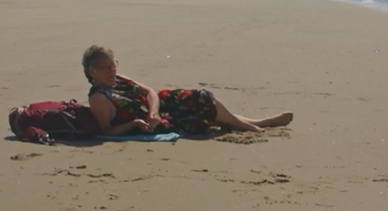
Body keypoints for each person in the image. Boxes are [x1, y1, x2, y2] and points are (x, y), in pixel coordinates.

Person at [82, 45, 293, 135]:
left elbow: (150, 92)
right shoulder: (99, 98)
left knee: (201, 97)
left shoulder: (119, 79)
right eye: (106, 67)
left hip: (158, 107)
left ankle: (255, 123)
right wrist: (136, 122)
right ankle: (256, 123)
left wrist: (153, 111)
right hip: (149, 122)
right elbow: (106, 131)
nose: (112, 70)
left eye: (114, 64)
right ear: (93, 72)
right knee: (200, 111)